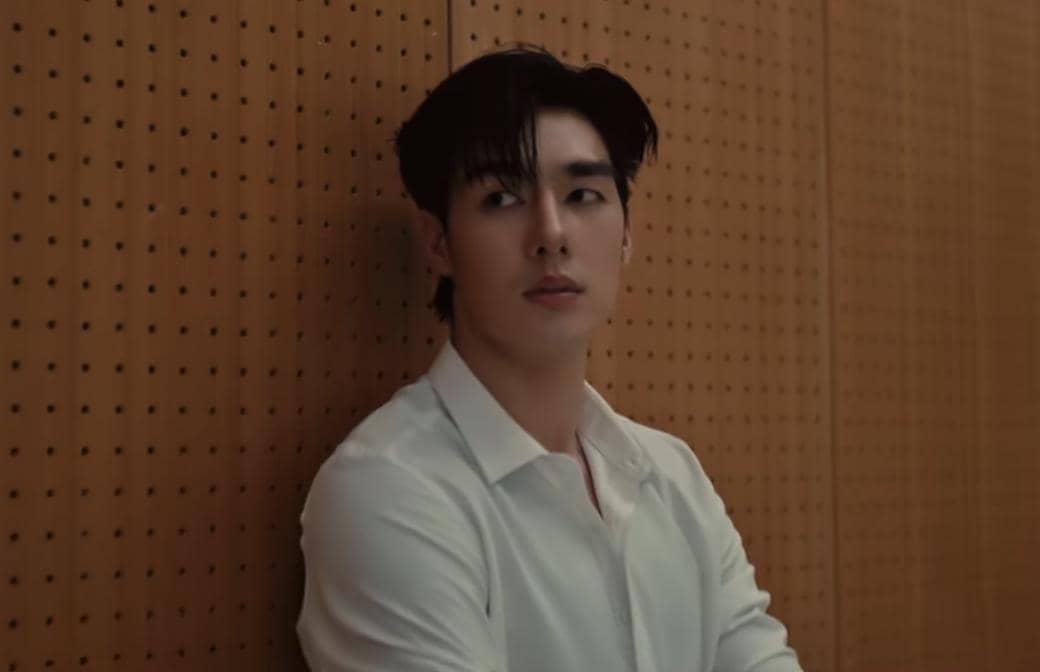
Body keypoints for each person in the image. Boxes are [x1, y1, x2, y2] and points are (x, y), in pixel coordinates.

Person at [296, 45, 803, 672]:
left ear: (626, 234)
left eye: (583, 194)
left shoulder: (672, 476)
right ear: (438, 242)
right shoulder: (389, 491)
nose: (552, 233)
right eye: (502, 199)